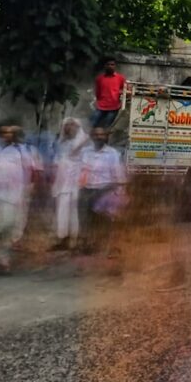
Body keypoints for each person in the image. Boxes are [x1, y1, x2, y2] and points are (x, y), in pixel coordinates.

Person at [0, 125, 31, 272]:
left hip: (13, 197)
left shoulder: (21, 151)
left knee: (7, 228)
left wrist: (28, 192)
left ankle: (4, 261)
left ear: (14, 135)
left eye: (10, 133)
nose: (7, 135)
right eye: (3, 132)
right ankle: (0, 261)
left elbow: (31, 172)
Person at [79, 127, 127, 257]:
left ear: (107, 137)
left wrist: (118, 192)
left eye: (102, 135)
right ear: (92, 136)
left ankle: (110, 248)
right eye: (96, 135)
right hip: (87, 190)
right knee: (88, 221)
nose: (99, 137)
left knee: (106, 222)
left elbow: (118, 175)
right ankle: (90, 246)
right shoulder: (85, 152)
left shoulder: (113, 154)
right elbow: (80, 171)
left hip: (105, 190)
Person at [51, 118, 88, 250]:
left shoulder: (84, 144)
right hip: (61, 184)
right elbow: (56, 162)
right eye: (66, 125)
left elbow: (86, 165)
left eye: (72, 125)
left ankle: (75, 240)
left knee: (75, 213)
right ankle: (62, 239)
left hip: (77, 185)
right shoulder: (60, 143)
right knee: (61, 211)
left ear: (78, 127)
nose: (69, 127)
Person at [91, 57, 127, 129]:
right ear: (105, 66)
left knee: (107, 128)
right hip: (101, 106)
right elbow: (97, 92)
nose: (110, 66)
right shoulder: (99, 78)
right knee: (91, 124)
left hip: (114, 108)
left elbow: (126, 90)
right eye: (108, 64)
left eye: (112, 64)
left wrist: (119, 93)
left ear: (115, 66)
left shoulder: (120, 78)